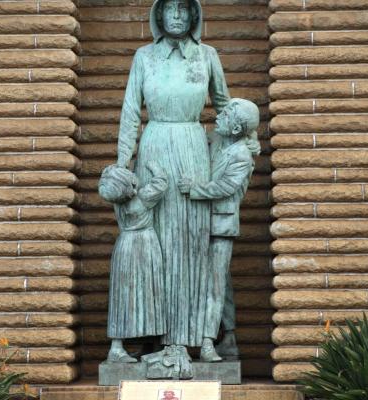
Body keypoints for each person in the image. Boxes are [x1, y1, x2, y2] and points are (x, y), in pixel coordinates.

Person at [116, 0, 230, 355]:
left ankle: (195, 337)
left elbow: (225, 108)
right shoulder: (144, 57)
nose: (177, 15)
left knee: (193, 242)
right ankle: (154, 335)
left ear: (194, 15)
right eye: (170, 8)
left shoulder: (207, 56)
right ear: (159, 15)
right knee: (155, 245)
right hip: (154, 149)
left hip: (193, 150)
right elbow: (130, 112)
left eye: (184, 8)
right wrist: (123, 163)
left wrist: (237, 151)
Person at [178, 99, 261, 361]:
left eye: (225, 115)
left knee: (214, 287)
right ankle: (228, 338)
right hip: (200, 222)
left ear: (236, 128)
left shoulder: (242, 156)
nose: (218, 116)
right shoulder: (218, 138)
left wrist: (194, 188)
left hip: (221, 227)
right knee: (220, 284)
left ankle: (207, 343)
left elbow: (225, 187)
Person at [98, 162, 168, 362]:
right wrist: (154, 167)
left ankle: (122, 345)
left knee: (123, 296)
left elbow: (111, 177)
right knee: (149, 294)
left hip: (124, 246)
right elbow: (161, 183)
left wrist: (116, 169)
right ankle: (124, 348)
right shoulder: (142, 198)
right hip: (143, 245)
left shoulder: (117, 201)